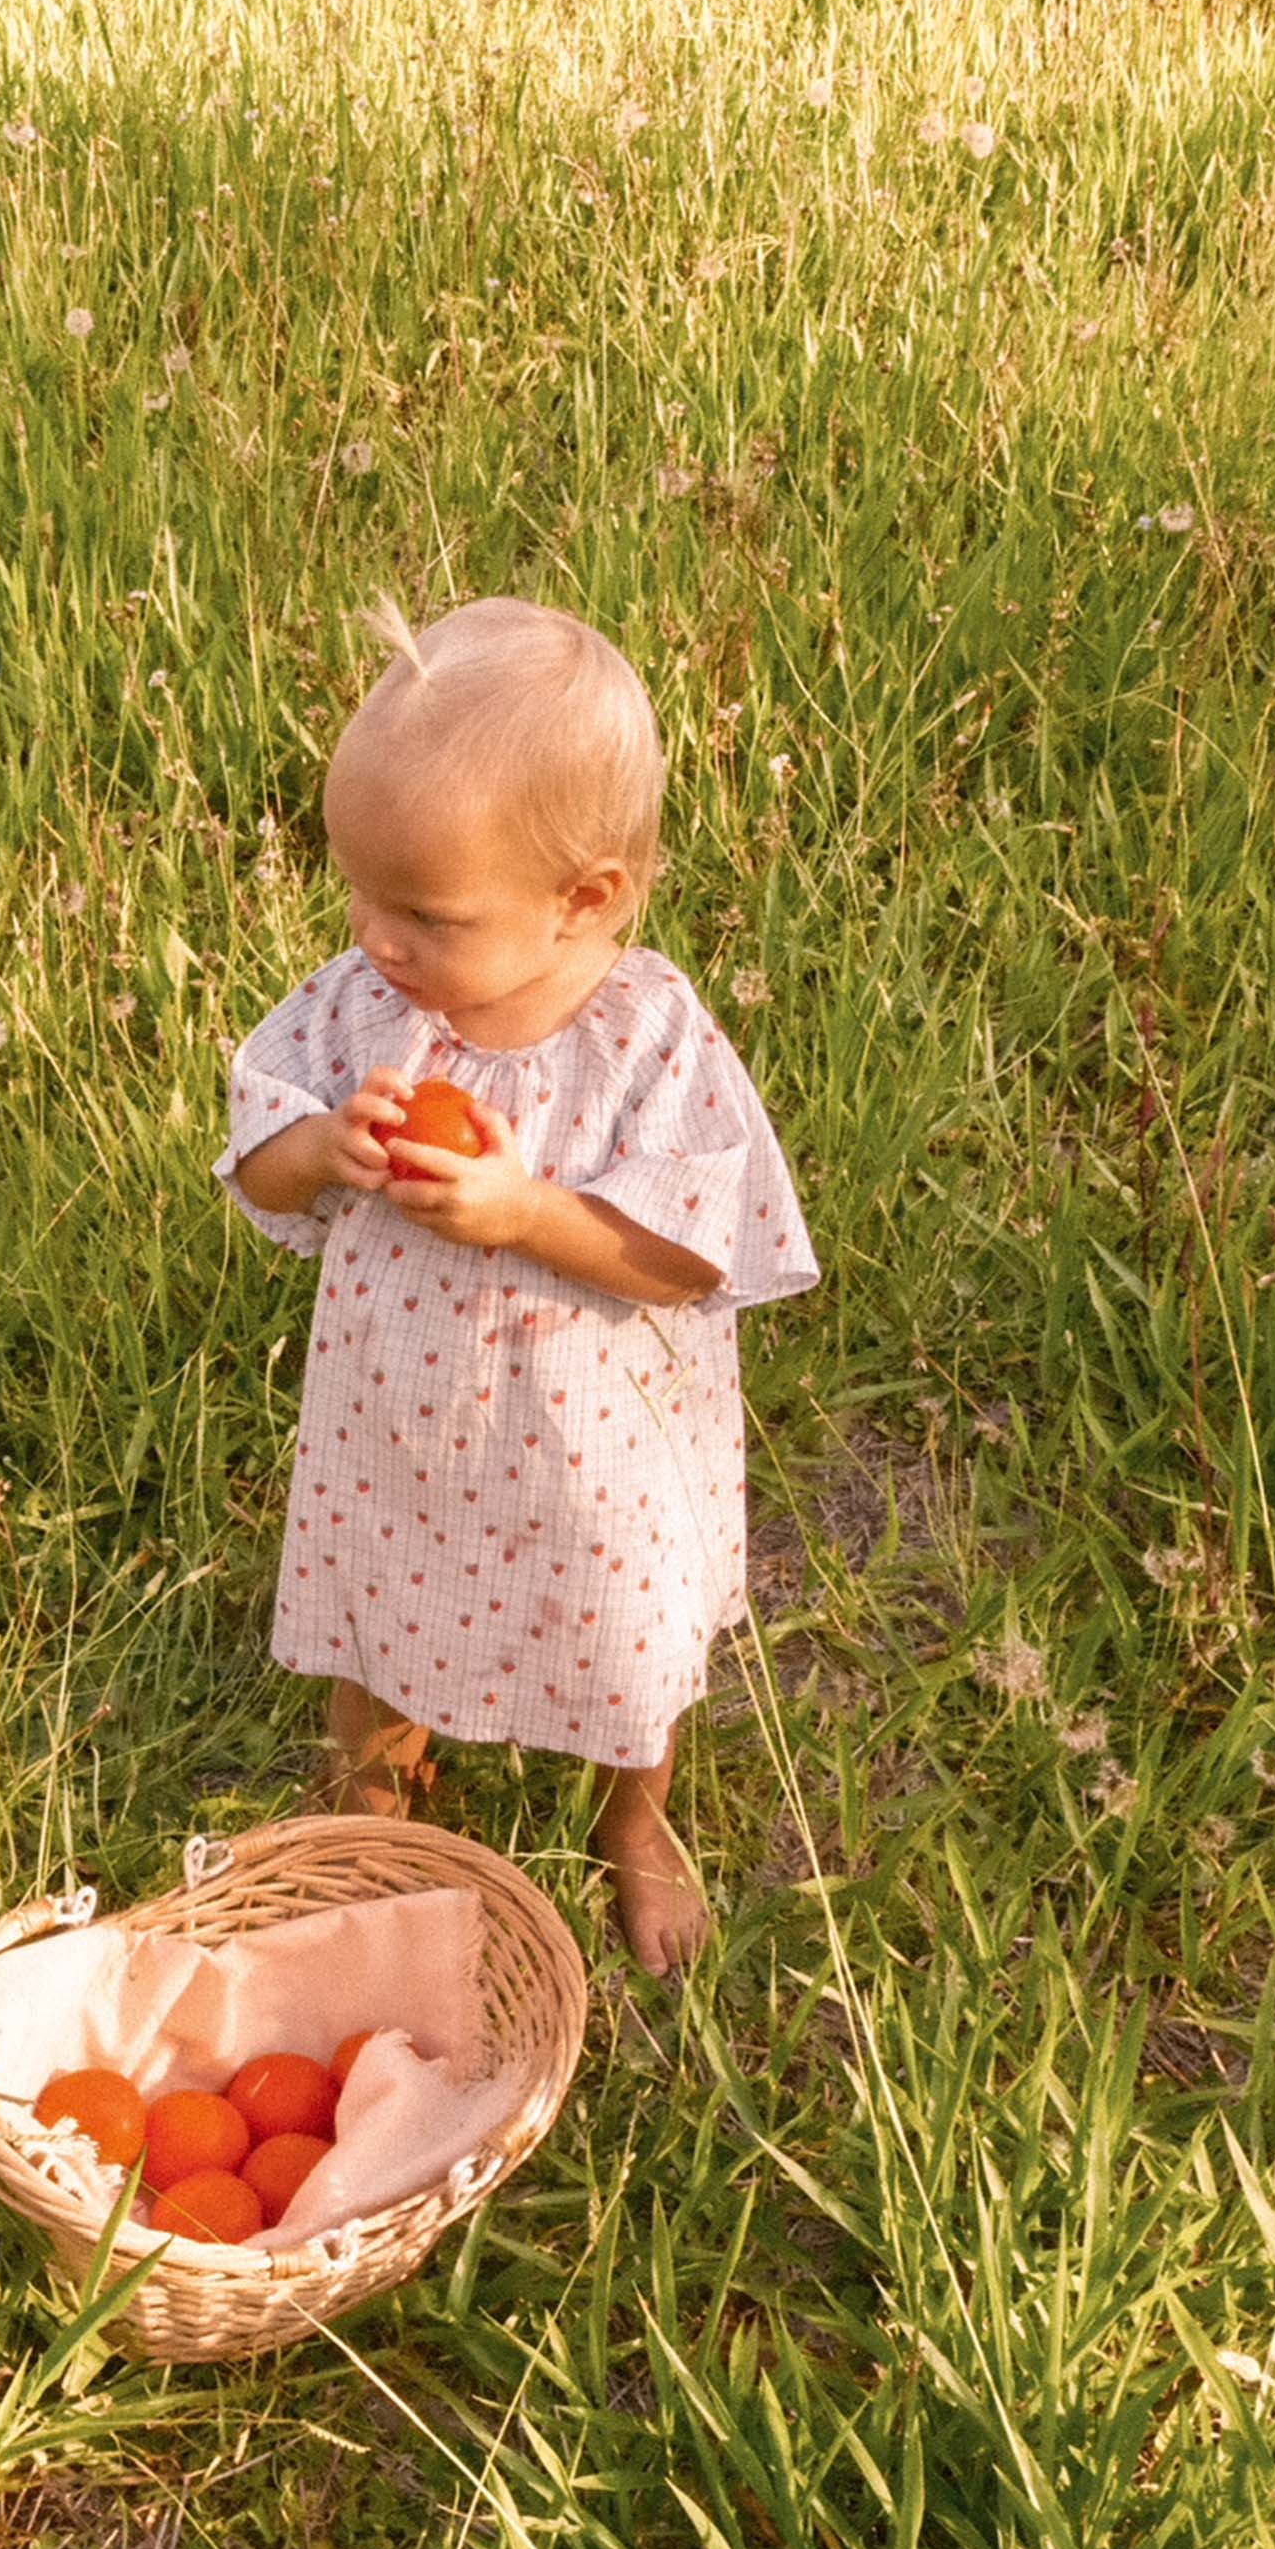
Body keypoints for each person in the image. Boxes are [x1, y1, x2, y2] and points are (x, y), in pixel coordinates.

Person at [212, 595, 817, 1975]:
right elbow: (258, 1168)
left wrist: (526, 1211)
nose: (374, 935)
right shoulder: (369, 1006)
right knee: (374, 1593)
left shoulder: (649, 1036)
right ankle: (374, 1786)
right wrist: (325, 1146)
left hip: (591, 1449)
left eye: (424, 909)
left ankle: (637, 1820)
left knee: (625, 1638)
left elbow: (686, 1252)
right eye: (357, 888)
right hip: (400, 1424)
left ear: (585, 898)